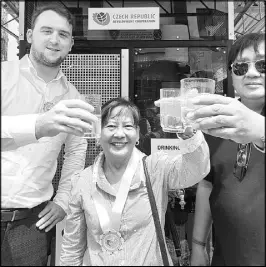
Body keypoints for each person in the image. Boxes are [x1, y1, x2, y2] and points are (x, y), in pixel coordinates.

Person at [1, 3, 98, 266]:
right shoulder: (3, 76)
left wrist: (63, 201)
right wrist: (37, 126)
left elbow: (77, 153)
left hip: (32, 225)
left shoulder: (73, 97)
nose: (55, 40)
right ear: (30, 35)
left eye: (63, 34)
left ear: (71, 43)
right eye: (47, 31)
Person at [59, 97, 210, 266]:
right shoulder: (83, 182)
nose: (119, 133)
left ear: (137, 134)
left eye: (128, 126)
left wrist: (188, 133)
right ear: (98, 133)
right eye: (111, 126)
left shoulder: (155, 169)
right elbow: (72, 249)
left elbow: (196, 170)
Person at [190, 32, 265, 266]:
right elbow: (208, 184)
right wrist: (198, 245)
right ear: (232, 74)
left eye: (263, 64)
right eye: (241, 67)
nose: (252, 73)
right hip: (227, 257)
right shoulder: (218, 121)